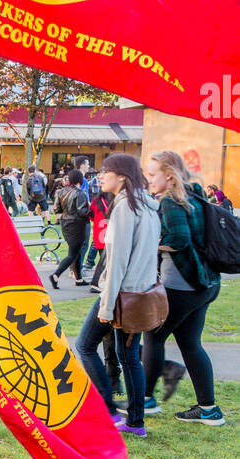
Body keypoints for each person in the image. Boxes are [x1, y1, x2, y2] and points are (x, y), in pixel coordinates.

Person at [75, 154, 160, 436]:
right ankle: (135, 421)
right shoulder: (146, 204)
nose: (100, 176)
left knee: (86, 345)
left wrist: (107, 306)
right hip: (138, 293)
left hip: (122, 294)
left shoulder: (126, 208)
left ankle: (109, 411)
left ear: (121, 176)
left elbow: (118, 262)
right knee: (129, 356)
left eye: (106, 171)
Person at [143, 151, 224, 426]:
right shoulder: (196, 195)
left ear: (168, 175)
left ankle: (145, 401)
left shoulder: (170, 200)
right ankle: (209, 410)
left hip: (183, 285)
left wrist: (150, 246)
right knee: (190, 344)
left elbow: (179, 239)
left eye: (152, 174)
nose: (148, 179)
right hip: (206, 283)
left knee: (153, 336)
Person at [49, 169, 91, 288]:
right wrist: (91, 210)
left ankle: (79, 279)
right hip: (77, 224)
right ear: (80, 180)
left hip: (65, 223)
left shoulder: (61, 192)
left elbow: (57, 209)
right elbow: (82, 211)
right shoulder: (80, 193)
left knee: (75, 252)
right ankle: (55, 275)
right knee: (73, 254)